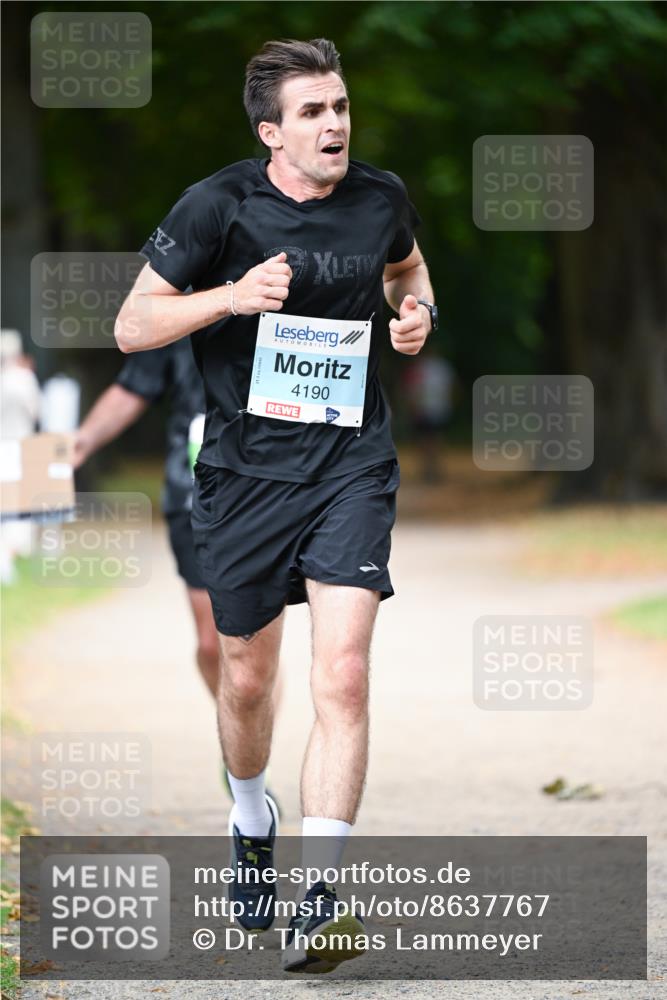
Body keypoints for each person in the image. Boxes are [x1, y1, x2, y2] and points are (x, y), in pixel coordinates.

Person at [115, 37, 435, 975]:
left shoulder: (380, 196)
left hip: (351, 465)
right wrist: (229, 296)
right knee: (247, 680)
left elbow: (407, 272)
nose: (334, 124)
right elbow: (132, 324)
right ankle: (250, 817)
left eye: (340, 107)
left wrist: (416, 314)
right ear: (271, 132)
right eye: (312, 112)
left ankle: (318, 901)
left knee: (343, 674)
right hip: (244, 475)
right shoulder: (215, 205)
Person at [72, 343, 284, 791]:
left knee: (254, 646)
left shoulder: (285, 300)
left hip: (268, 489)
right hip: (193, 493)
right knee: (211, 645)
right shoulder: (173, 308)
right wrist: (83, 440)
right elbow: (134, 386)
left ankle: (249, 757)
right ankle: (240, 732)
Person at [0, 329, 42, 583]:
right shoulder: (24, 378)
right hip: (19, 447)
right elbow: (36, 411)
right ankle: (9, 555)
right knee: (17, 504)